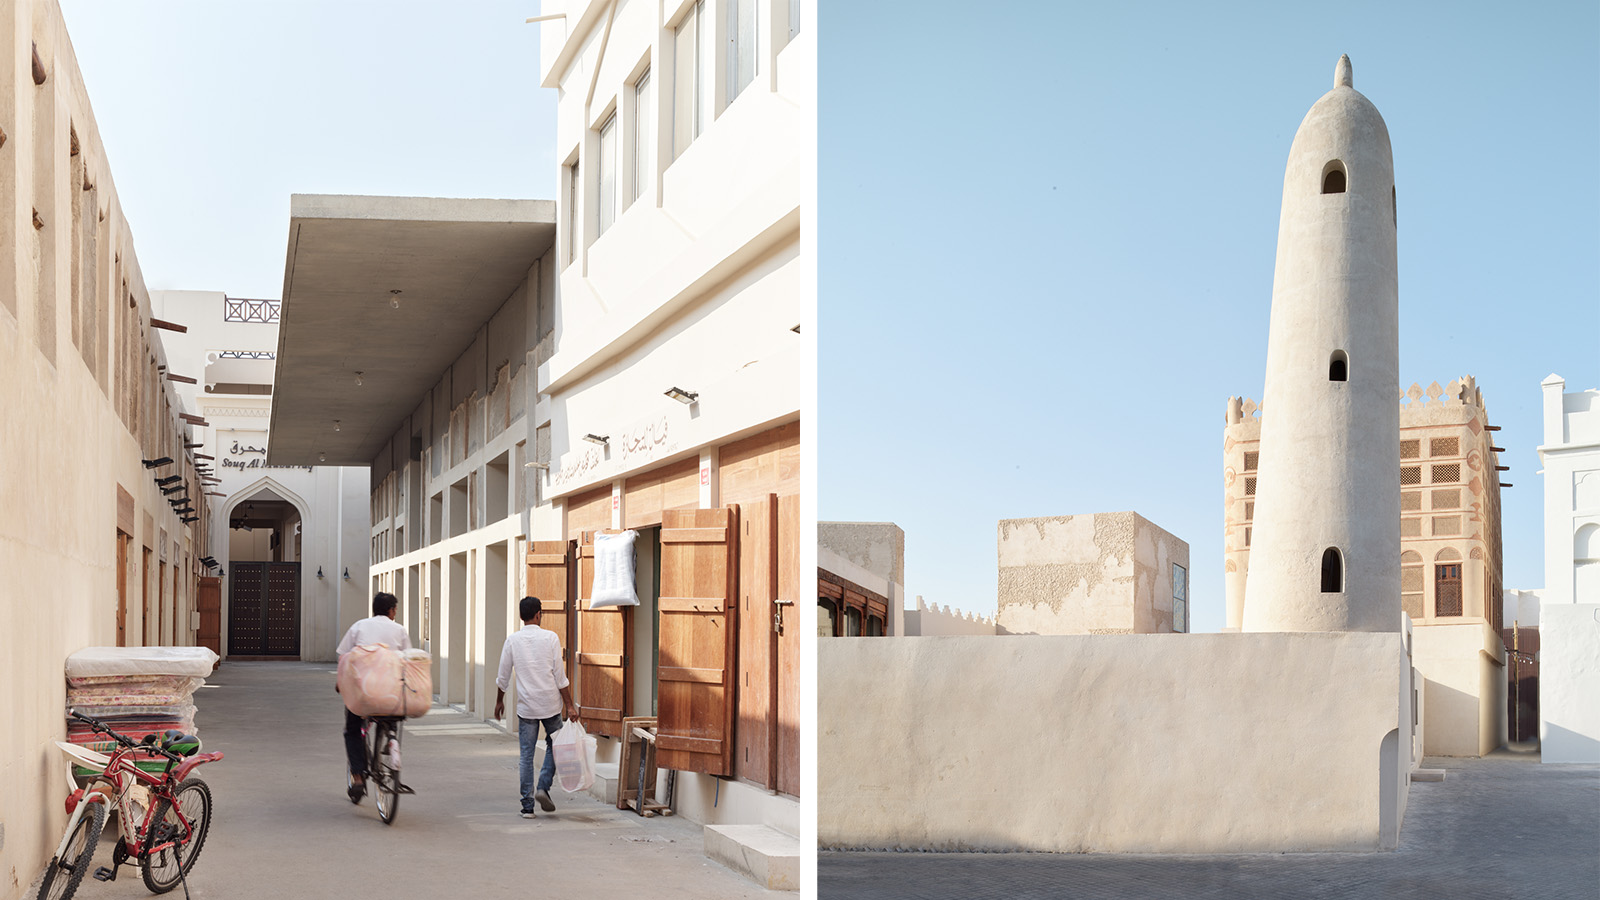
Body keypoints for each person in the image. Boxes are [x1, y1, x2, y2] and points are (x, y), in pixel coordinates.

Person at [494, 596, 578, 818]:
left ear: (522, 616)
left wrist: (499, 700)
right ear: (539, 614)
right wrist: (569, 705)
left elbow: (503, 677)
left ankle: (527, 806)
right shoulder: (550, 638)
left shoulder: (512, 641)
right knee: (556, 746)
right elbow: (560, 678)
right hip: (550, 704)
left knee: (526, 756)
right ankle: (543, 786)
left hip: (527, 708)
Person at [336, 591, 411, 802]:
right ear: (391, 610)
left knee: (353, 730)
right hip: (389, 694)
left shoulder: (359, 626)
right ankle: (391, 737)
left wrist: (340, 682)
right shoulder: (399, 630)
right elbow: (408, 659)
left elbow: (344, 656)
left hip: (363, 695)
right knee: (391, 710)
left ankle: (358, 777)